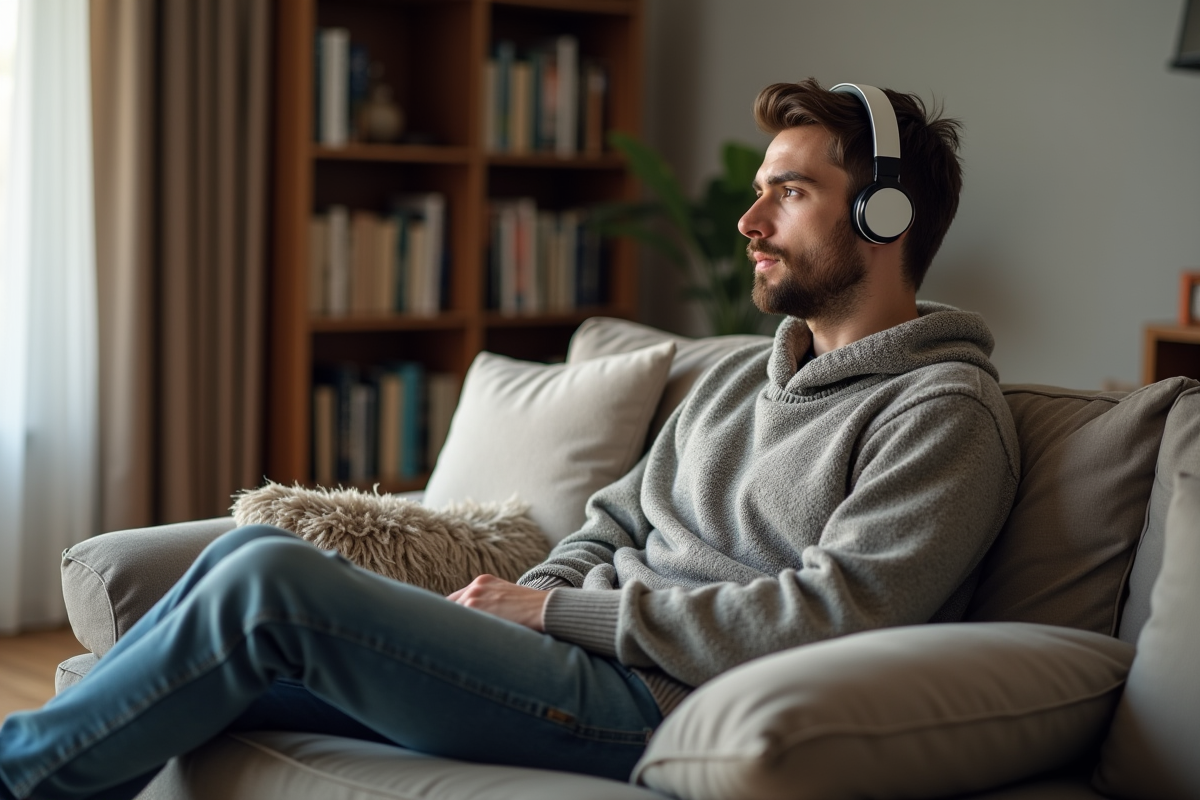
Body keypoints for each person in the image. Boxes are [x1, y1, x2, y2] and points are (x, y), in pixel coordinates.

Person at [0, 78, 1018, 800]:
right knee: (250, 557)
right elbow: (615, 517)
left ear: (888, 215)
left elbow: (837, 613)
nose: (750, 220)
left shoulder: (942, 412)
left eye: (787, 191)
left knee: (271, 582)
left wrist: (561, 610)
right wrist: (519, 615)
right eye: (759, 187)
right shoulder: (741, 378)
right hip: (569, 658)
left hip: (655, 703)